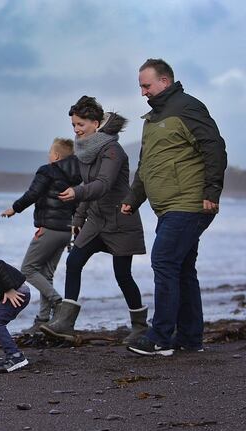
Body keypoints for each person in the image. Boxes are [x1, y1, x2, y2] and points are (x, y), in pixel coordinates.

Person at [123, 59, 227, 357]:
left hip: (190, 203)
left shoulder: (187, 107)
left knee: (164, 261)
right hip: (168, 207)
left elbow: (214, 148)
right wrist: (133, 200)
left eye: (146, 85)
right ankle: (190, 338)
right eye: (140, 86)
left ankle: (160, 337)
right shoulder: (152, 119)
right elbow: (147, 166)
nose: (142, 92)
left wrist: (212, 190)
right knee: (181, 269)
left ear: (165, 82)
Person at [40, 96, 148, 344]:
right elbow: (90, 185)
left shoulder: (112, 150)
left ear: (96, 123)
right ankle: (65, 323)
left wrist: (76, 193)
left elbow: (102, 185)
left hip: (121, 221)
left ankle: (140, 326)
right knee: (74, 261)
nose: (77, 130)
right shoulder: (85, 150)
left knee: (123, 275)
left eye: (81, 125)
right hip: (96, 221)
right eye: (74, 126)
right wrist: (78, 218)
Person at [0, 138, 82, 333]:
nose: (48, 156)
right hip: (65, 231)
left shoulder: (47, 170)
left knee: (27, 269)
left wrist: (14, 208)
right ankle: (43, 320)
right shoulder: (75, 177)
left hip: (49, 229)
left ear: (56, 156)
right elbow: (78, 203)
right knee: (46, 275)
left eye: (49, 153)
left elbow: (32, 193)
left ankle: (59, 304)